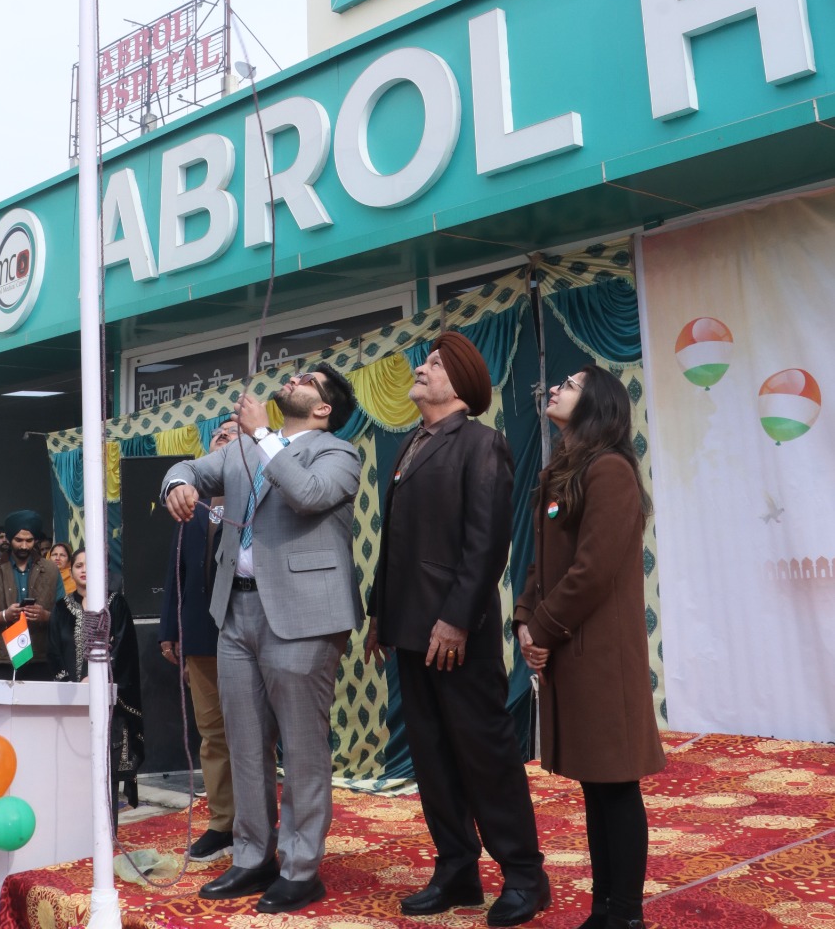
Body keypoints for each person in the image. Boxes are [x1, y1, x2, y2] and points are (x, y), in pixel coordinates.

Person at [162, 363, 362, 914]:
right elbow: (188, 467)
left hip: (302, 615)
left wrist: (263, 436)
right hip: (235, 608)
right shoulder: (242, 449)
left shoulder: (337, 454)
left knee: (301, 747)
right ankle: (252, 858)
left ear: (323, 408)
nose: (293, 378)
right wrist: (177, 484)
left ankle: (301, 869)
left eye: (308, 380)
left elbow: (308, 494)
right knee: (244, 743)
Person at [366, 331, 549, 925]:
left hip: (455, 633)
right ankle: (457, 870)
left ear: (463, 384)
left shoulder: (482, 444)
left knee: (485, 754)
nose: (422, 368)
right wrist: (378, 616)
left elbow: (487, 543)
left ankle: (524, 875)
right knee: (432, 755)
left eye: (436, 365)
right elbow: (394, 543)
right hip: (409, 630)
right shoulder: (412, 445)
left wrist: (455, 618)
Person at [515, 368, 665, 929]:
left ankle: (625, 915)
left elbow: (592, 571)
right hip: (566, 649)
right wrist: (524, 621)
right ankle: (604, 909)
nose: (554, 387)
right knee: (596, 786)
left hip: (599, 657)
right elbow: (541, 564)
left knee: (615, 784)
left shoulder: (610, 471)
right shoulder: (562, 471)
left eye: (571, 384)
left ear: (597, 404)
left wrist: (544, 630)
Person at [159, 419, 239, 861]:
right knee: (211, 734)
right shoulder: (191, 501)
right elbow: (177, 571)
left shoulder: (259, 494)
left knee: (251, 734)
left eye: (230, 433)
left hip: (247, 630)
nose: (221, 437)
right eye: (216, 435)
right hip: (200, 634)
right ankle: (222, 823)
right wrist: (171, 630)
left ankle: (257, 824)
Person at [48, 548, 144, 808]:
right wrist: (71, 683)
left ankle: (108, 832)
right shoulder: (61, 608)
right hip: (72, 701)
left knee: (106, 768)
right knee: (73, 770)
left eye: (90, 565)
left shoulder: (115, 604)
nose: (84, 570)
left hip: (111, 702)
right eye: (78, 565)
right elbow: (55, 651)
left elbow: (124, 649)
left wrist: (99, 678)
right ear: (71, 571)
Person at [0, 510, 63, 681]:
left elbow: (65, 618)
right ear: (10, 539)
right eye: (18, 540)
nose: (24, 546)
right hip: (3, 659)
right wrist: (4, 615)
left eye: (29, 540)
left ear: (35, 540)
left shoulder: (50, 570)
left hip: (40, 659)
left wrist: (45, 616)